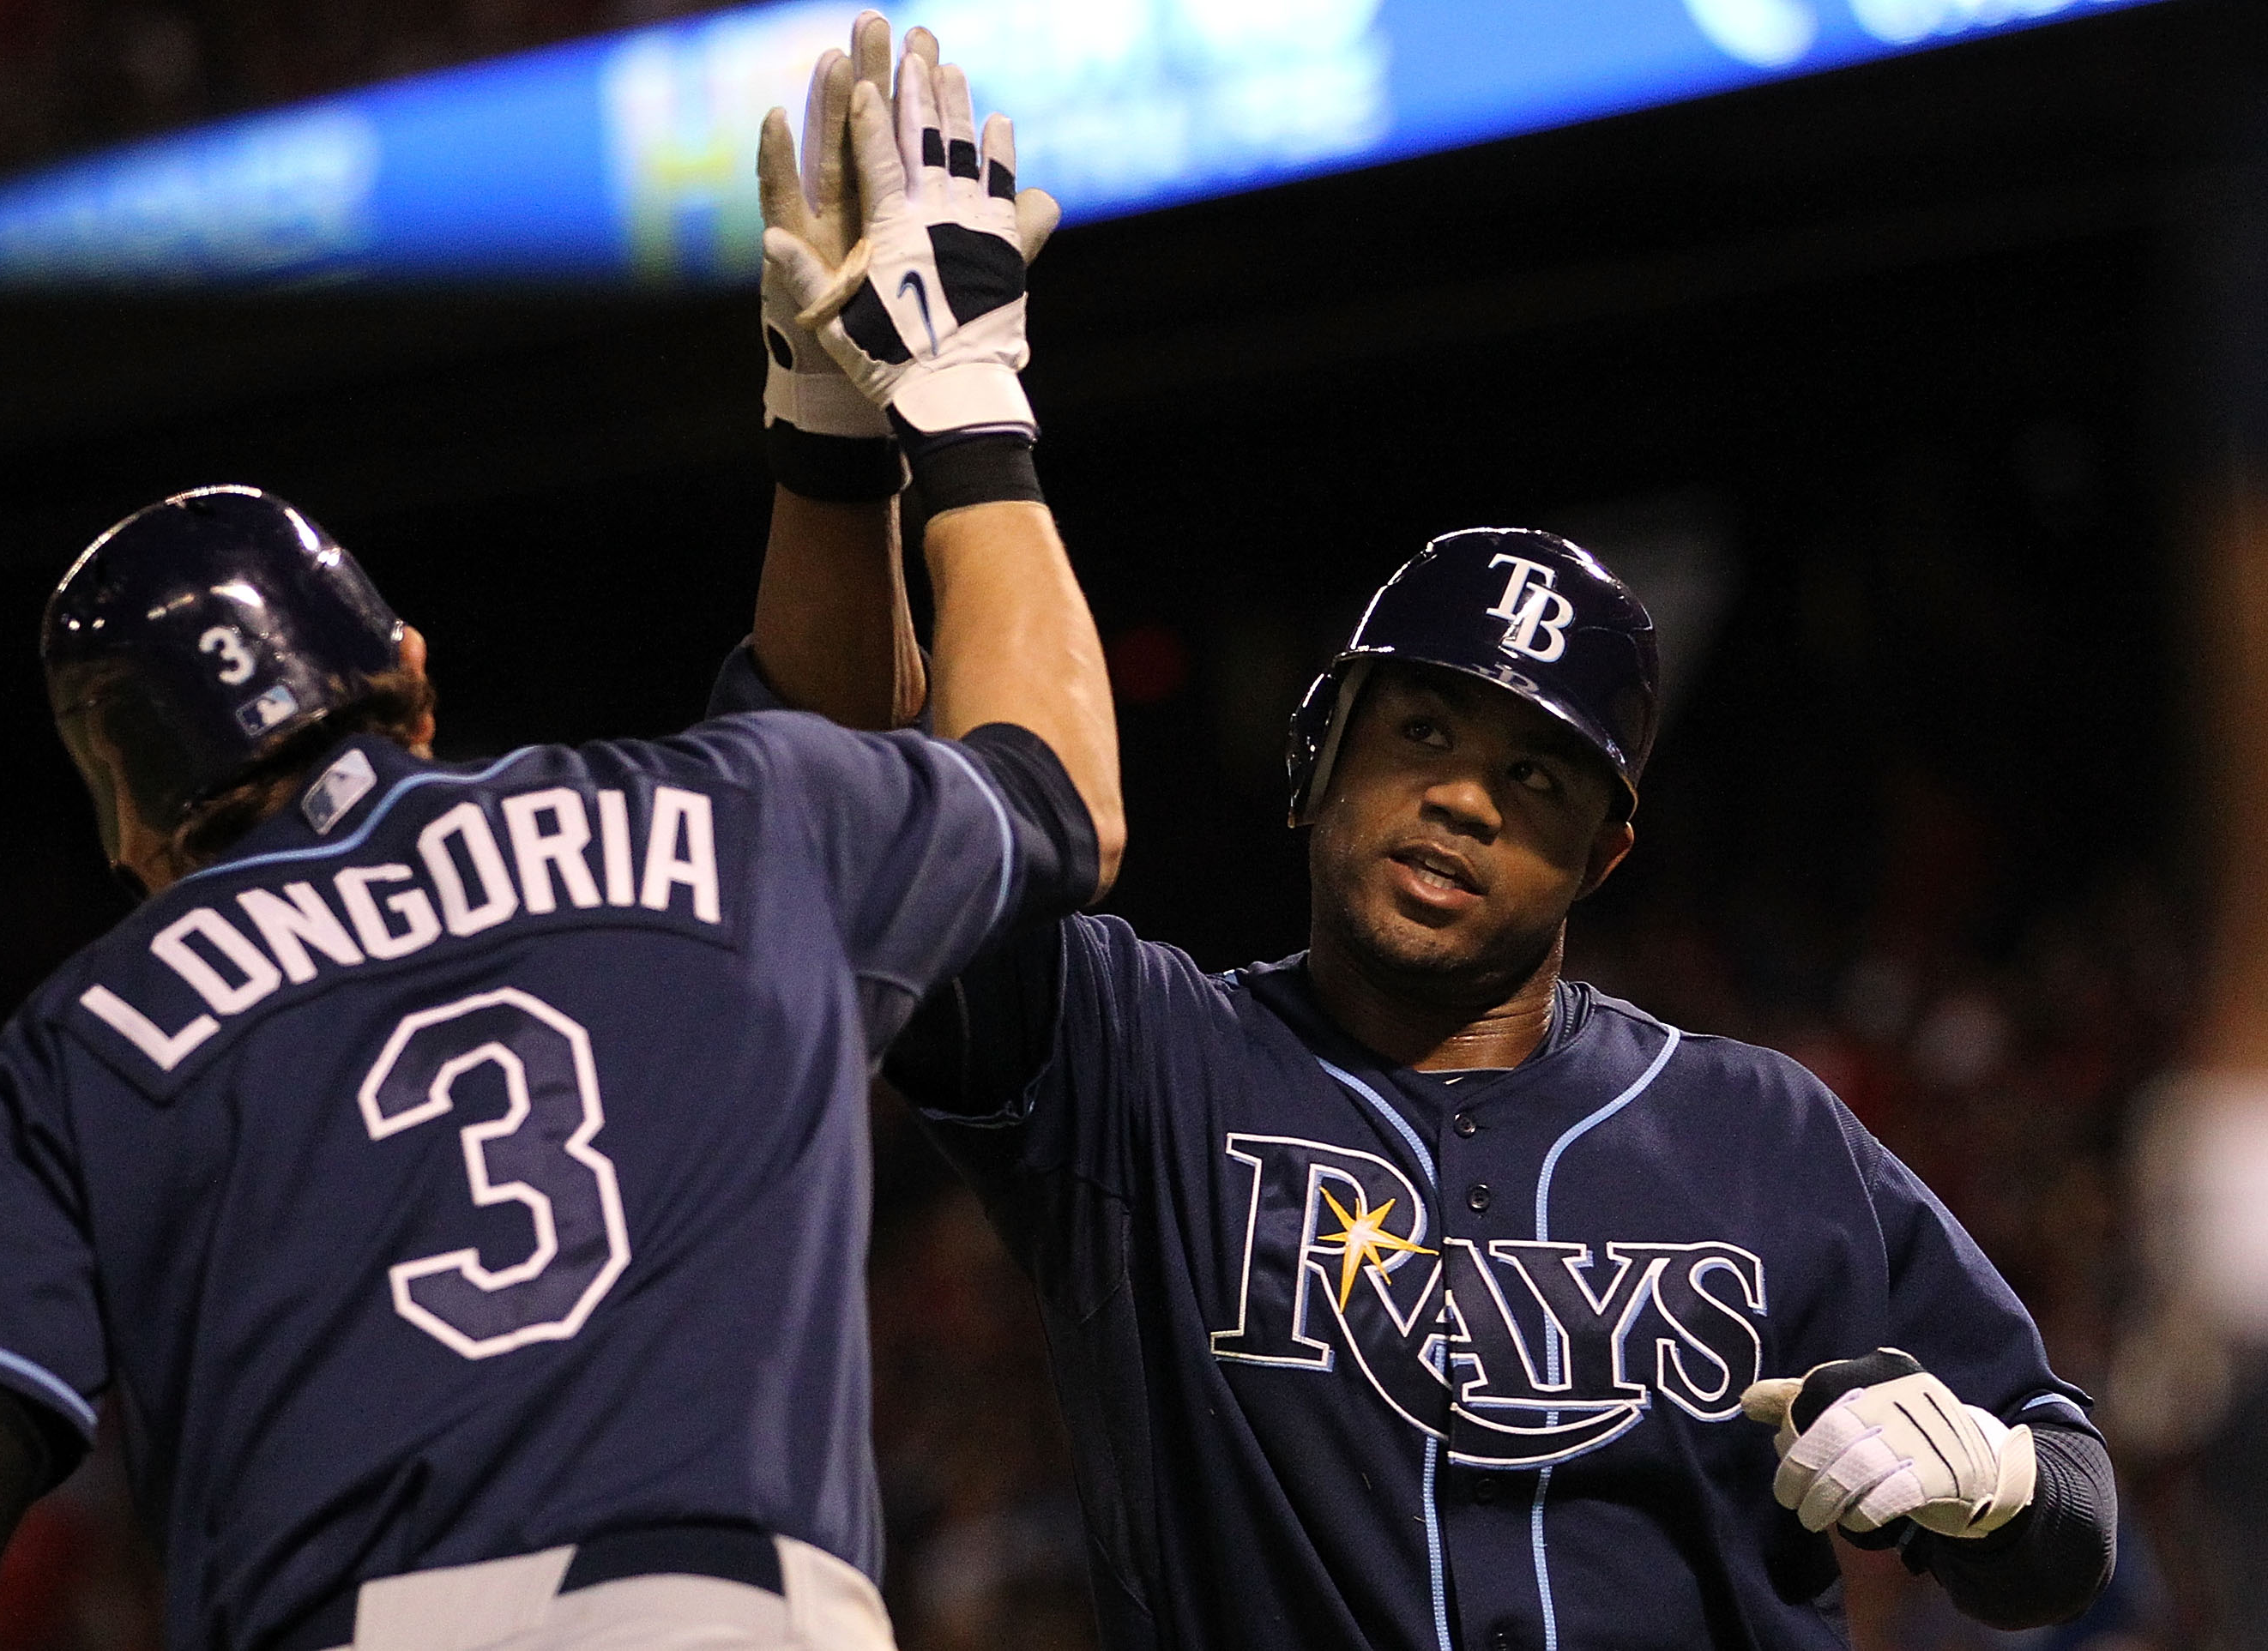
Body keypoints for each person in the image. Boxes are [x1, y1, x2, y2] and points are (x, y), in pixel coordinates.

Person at [735, 36, 2120, 1643]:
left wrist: (1998, 1482)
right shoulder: (1134, 1061)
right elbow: (841, 814)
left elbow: (2073, 1515)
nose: (1467, 795)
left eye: (1540, 781)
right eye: (1427, 733)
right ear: (1318, 759)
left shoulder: (1762, 1134)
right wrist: (832, 449)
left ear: (1604, 854)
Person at [0, 33, 1113, 1651]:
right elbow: (1054, 788)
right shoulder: (733, 811)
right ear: (407, 671)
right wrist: (941, 405)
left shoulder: (70, 1051)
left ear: (132, 830)